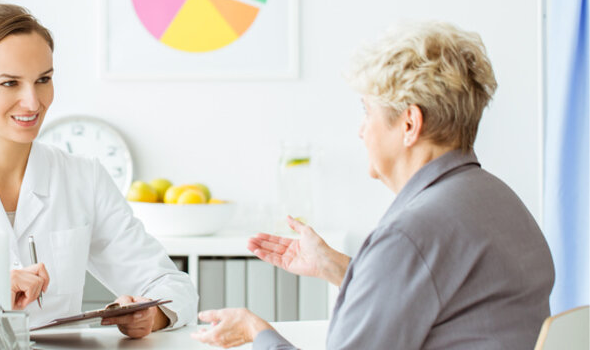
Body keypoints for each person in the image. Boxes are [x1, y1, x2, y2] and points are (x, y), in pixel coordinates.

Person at [191, 21, 555, 349]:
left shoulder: (410, 235)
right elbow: (451, 302)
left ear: (409, 124)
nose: (361, 130)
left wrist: (258, 332)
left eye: (367, 110)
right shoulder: (501, 203)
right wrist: (338, 267)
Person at [0, 4, 197, 338]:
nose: (32, 102)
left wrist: (153, 314)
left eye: (43, 80)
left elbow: (173, 286)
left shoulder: (84, 178)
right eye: (10, 83)